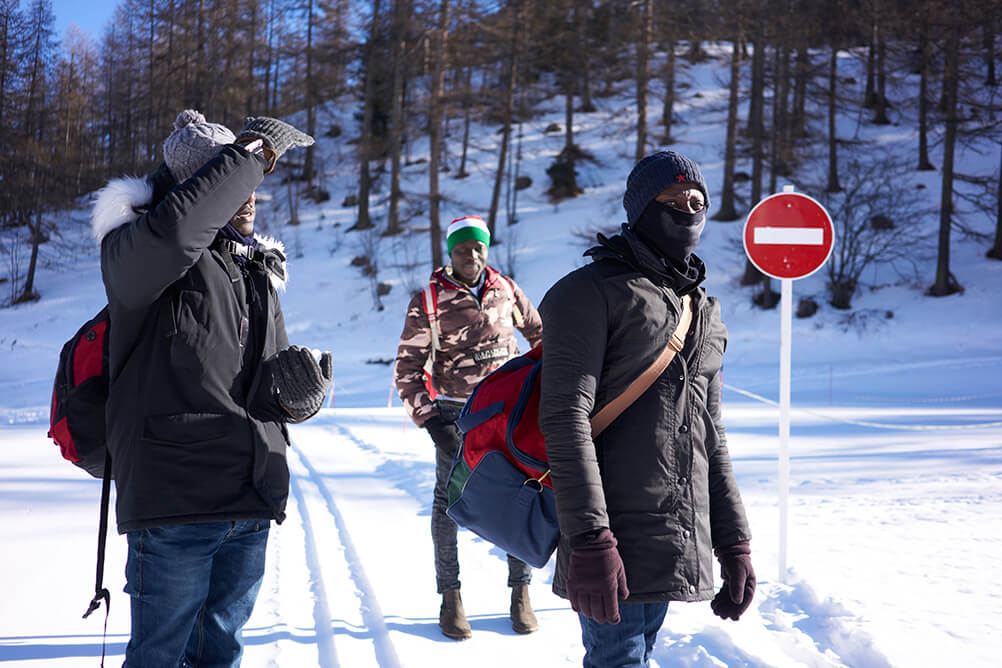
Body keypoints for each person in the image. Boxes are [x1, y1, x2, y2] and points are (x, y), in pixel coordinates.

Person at [92, 109, 332, 667]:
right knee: (159, 657)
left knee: (221, 654)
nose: (250, 198)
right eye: (232, 182)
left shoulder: (255, 271)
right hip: (175, 502)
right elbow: (178, 233)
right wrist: (248, 156)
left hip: (249, 501)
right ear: (192, 189)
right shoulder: (137, 255)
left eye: (254, 186)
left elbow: (269, 382)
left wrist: (301, 397)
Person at [537, 150, 755, 667]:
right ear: (640, 209)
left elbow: (710, 434)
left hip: (673, 535)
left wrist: (734, 541)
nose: (687, 211)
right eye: (671, 200)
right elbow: (566, 417)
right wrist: (590, 538)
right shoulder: (589, 293)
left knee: (639, 654)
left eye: (696, 201)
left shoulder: (702, 310)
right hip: (609, 536)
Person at [394, 215, 544, 639]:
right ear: (450, 252)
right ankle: (451, 597)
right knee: (449, 505)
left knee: (521, 498)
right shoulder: (428, 299)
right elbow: (407, 368)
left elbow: (542, 337)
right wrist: (430, 422)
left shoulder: (507, 289)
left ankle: (521, 593)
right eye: (463, 248)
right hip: (457, 418)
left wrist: (542, 383)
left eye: (479, 247)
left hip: (511, 415)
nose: (472, 255)